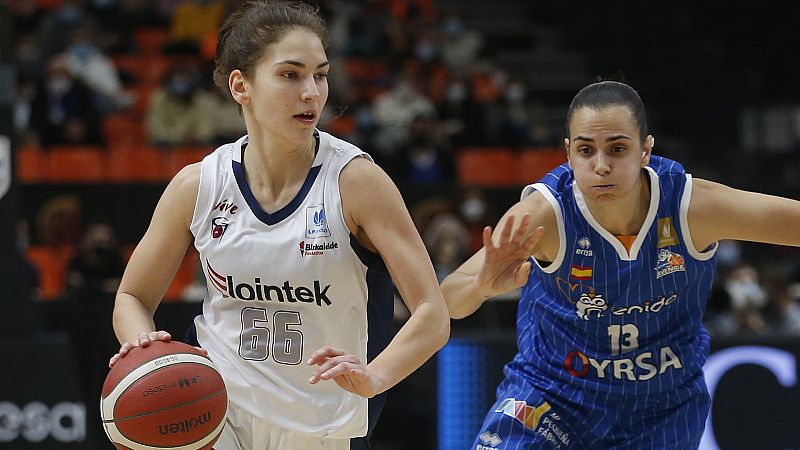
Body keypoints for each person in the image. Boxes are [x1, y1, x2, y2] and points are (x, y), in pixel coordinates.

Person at [108, 1, 450, 450]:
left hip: (325, 428)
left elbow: (433, 315)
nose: (312, 92)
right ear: (240, 86)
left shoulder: (356, 182)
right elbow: (131, 297)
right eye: (291, 74)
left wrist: (377, 375)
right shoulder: (199, 185)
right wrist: (144, 347)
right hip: (217, 418)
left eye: (320, 75)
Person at [440, 80, 800, 449]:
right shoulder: (543, 214)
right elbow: (447, 301)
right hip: (552, 395)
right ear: (568, 153)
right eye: (585, 150)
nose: (601, 166)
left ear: (645, 150)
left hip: (660, 409)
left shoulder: (692, 207)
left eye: (617, 149)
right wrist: (482, 286)